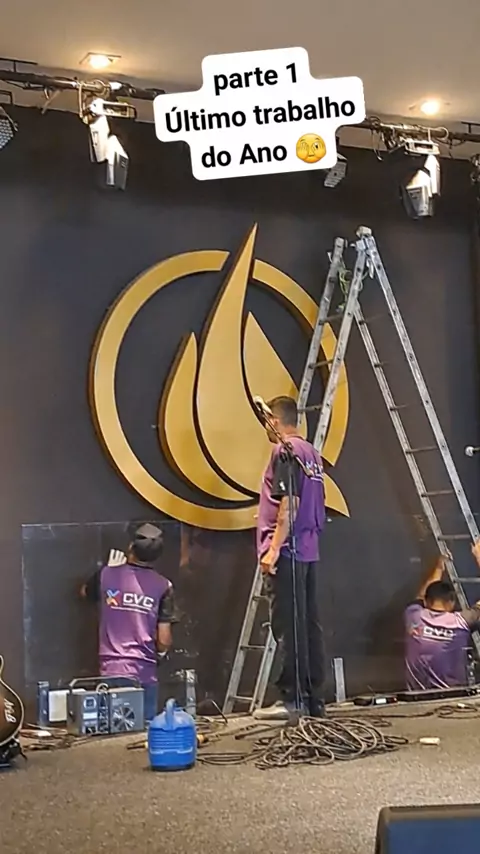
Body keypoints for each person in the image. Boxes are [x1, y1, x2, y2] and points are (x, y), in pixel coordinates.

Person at [254, 395, 326, 720]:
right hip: (308, 550)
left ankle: (292, 698)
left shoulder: (285, 451)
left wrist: (273, 549)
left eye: (266, 421)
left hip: (288, 550)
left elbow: (289, 503)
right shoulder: (311, 454)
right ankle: (313, 698)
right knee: (307, 623)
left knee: (288, 625)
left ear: (274, 420)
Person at [80, 523, 175, 723]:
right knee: (143, 730)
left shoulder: (106, 575)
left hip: (111, 669)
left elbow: (84, 592)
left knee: (112, 730)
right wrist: (160, 653)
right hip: (144, 672)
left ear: (131, 547)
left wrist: (108, 572)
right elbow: (164, 639)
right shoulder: (164, 586)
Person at [405, 543, 480, 690]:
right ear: (451, 603)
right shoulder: (460, 622)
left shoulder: (413, 616)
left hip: (416, 697)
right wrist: (478, 558)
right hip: (452, 696)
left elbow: (421, 595)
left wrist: (438, 569)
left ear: (426, 602)